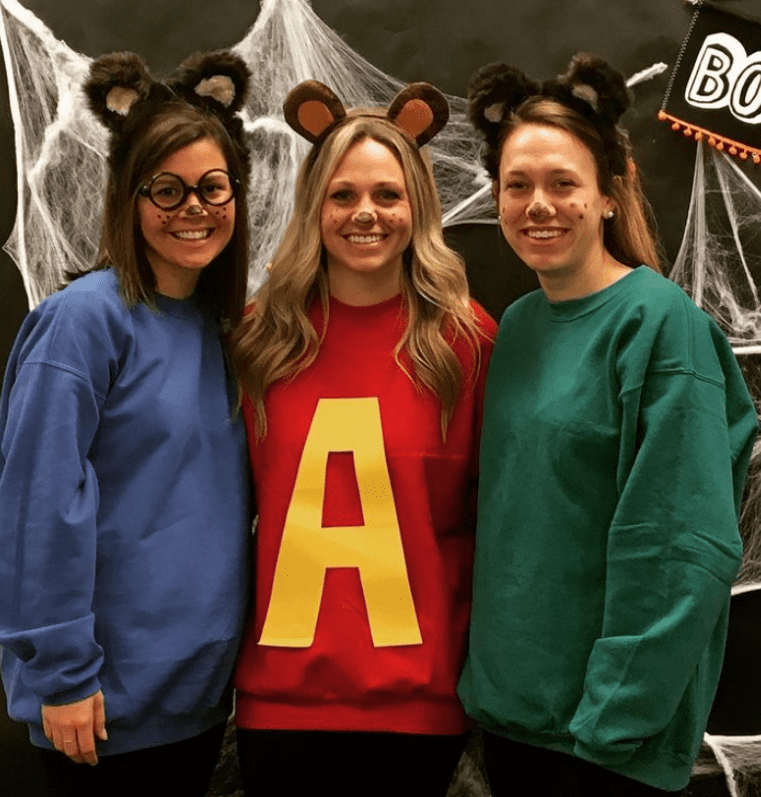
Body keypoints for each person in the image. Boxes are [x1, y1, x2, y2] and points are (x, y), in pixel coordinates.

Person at [456, 55, 759, 797]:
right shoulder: (517, 326)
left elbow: (681, 544)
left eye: (563, 183)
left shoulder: (661, 327)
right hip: (511, 721)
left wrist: (614, 719)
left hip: (601, 744)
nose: (539, 205)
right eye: (518, 185)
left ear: (609, 195)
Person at [230, 79, 496, 797]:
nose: (365, 213)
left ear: (418, 206)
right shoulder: (261, 338)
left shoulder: (466, 341)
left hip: (417, 705)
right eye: (342, 195)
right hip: (279, 704)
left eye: (387, 194)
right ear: (314, 206)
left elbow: (499, 518)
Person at [0, 50, 252, 797]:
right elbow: (38, 504)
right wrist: (62, 672)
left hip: (200, 698)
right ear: (129, 197)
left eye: (212, 187)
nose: (193, 207)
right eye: (166, 189)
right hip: (102, 705)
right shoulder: (82, 323)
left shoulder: (219, 328)